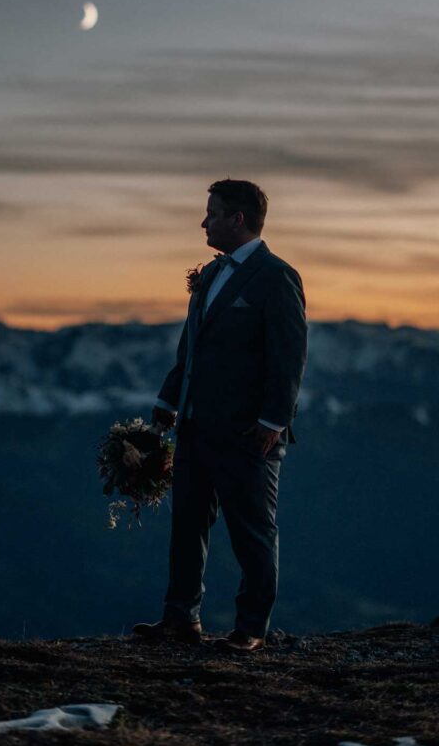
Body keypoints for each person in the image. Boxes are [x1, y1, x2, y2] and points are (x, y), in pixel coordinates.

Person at [132, 178, 308, 654]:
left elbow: (288, 355)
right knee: (187, 526)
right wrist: (169, 403)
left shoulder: (277, 277)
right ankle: (179, 619)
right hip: (195, 425)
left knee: (252, 532)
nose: (202, 221)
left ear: (238, 219)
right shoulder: (210, 276)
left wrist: (273, 421)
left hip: (250, 433)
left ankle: (251, 628)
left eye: (211, 213)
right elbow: (192, 346)